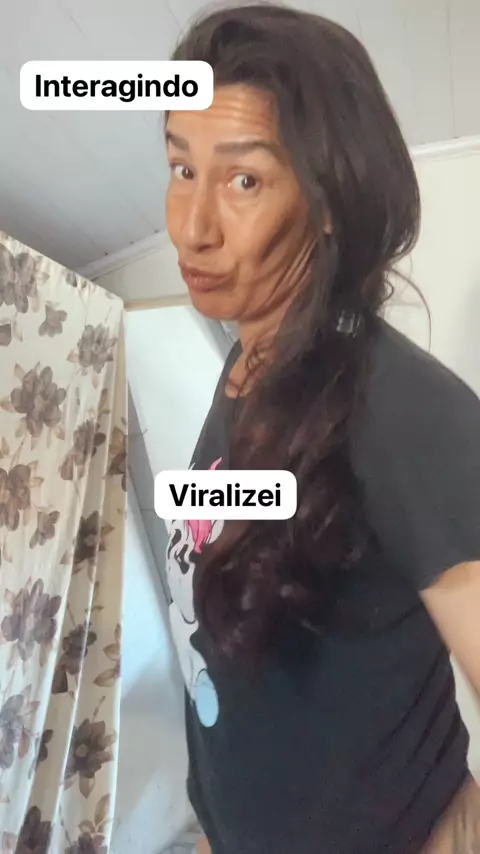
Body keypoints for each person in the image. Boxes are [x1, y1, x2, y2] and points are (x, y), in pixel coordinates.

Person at [163, 5, 480, 853]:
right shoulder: (247, 365)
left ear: (331, 199)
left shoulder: (404, 410)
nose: (190, 225)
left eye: (243, 181)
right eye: (181, 168)